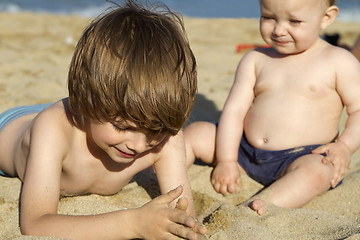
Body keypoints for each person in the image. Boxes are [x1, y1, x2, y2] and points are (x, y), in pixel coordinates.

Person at [0, 1, 207, 239]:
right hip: (12, 127)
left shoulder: (165, 138)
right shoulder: (52, 131)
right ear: (85, 104)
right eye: (121, 127)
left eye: (155, 130)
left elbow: (184, 216)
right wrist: (134, 223)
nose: (139, 145)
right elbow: (35, 223)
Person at [184, 0, 360, 216]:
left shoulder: (339, 62)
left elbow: (358, 110)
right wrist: (226, 159)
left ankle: (263, 204)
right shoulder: (256, 59)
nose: (278, 30)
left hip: (301, 156)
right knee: (196, 133)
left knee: (318, 172)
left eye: (294, 21)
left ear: (326, 18)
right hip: (243, 149)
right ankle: (160, 173)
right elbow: (235, 110)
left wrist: (344, 146)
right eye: (268, 17)